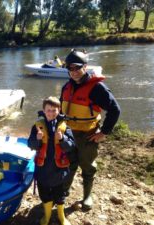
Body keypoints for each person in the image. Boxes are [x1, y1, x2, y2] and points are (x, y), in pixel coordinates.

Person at [60, 49, 121, 210]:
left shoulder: (97, 88)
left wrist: (104, 132)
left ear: (85, 67)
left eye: (76, 68)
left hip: (87, 134)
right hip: (68, 133)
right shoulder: (67, 86)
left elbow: (115, 110)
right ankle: (63, 192)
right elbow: (61, 110)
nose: (73, 72)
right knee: (68, 164)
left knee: (87, 166)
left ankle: (87, 197)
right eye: (70, 69)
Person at [28, 96, 75, 225]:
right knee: (44, 192)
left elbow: (71, 146)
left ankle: (61, 216)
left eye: (54, 110)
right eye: (48, 110)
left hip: (59, 168)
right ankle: (47, 216)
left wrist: (62, 139)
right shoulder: (37, 127)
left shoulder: (65, 127)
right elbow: (31, 145)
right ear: (43, 110)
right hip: (43, 167)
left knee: (60, 193)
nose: (51, 113)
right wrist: (37, 139)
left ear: (59, 110)